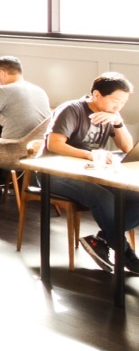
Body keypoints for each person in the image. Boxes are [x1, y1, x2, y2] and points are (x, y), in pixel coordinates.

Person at [43, 73, 138, 272]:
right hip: (54, 173)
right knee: (103, 197)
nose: (118, 106)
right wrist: (89, 155)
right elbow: (54, 144)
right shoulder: (72, 109)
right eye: (115, 100)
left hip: (90, 173)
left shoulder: (111, 115)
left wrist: (117, 122)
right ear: (96, 94)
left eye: (123, 102)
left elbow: (128, 148)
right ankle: (125, 253)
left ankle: (101, 239)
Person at [0, 55, 50, 138]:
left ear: (2, 73)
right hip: (40, 146)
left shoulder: (4, 90)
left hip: (15, 146)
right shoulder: (40, 91)